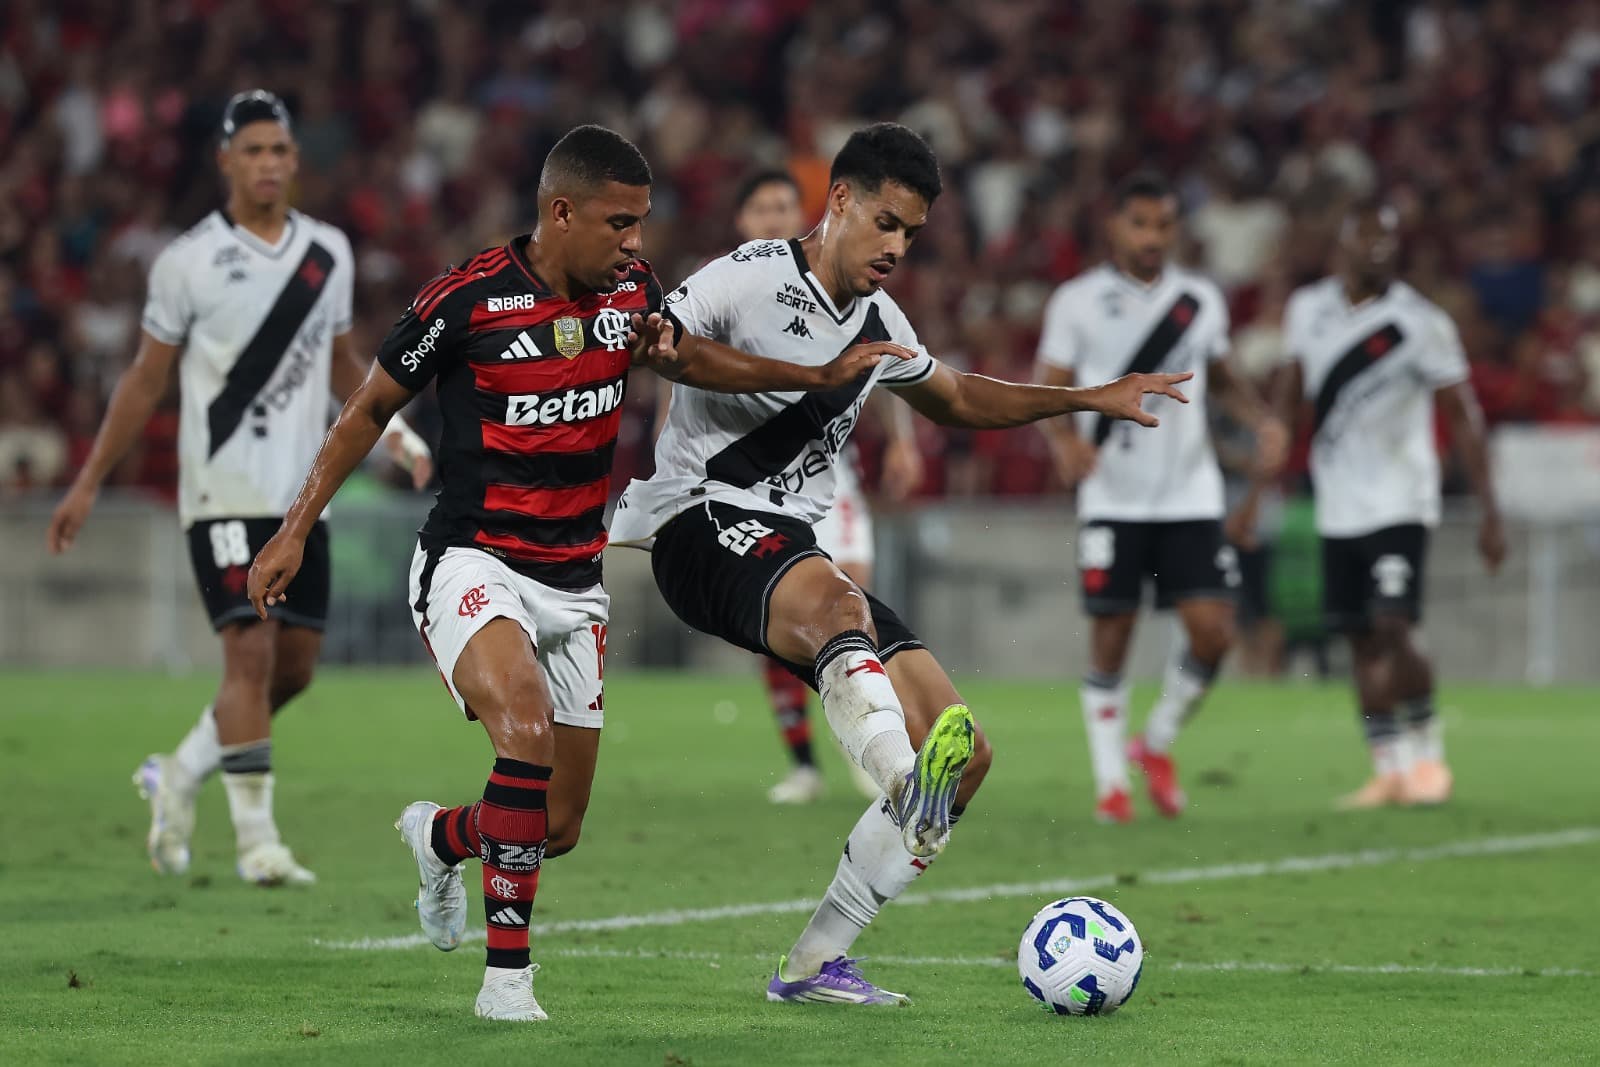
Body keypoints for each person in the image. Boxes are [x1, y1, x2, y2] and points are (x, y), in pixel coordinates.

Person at [244, 125, 910, 1022]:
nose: (636, 242)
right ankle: (506, 985)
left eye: (641, 222)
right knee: (523, 731)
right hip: (472, 558)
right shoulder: (466, 300)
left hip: (573, 580)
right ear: (561, 212)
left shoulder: (631, 293)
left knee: (552, 826)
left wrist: (812, 374)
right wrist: (293, 529)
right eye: (619, 223)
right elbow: (367, 408)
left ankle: (440, 837)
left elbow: (686, 358)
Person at [610, 124, 1191, 1005]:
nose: (896, 247)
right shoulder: (754, 272)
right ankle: (899, 780)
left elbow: (956, 397)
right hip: (698, 520)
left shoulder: (882, 322)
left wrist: (1082, 397)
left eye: (911, 234)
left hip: (787, 542)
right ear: (840, 199)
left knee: (968, 751)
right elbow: (666, 347)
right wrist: (816, 377)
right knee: (842, 614)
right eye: (885, 222)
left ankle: (813, 963)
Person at [45, 91, 433, 886]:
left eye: (279, 150)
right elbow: (146, 377)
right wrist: (88, 481)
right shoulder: (186, 261)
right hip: (222, 493)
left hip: (300, 500)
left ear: (295, 160)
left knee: (294, 670)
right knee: (249, 659)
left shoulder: (327, 252)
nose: (267, 164)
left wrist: (393, 430)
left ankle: (180, 771)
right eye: (252, 150)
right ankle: (258, 841)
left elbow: (339, 361)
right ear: (225, 159)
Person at [655, 168, 921, 804]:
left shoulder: (846, 290)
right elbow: (675, 362)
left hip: (823, 482)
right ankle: (808, 760)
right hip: (738, 487)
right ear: (742, 221)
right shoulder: (732, 283)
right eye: (762, 207)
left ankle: (869, 740)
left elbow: (885, 364)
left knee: (849, 603)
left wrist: (903, 440)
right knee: (789, 614)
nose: (774, 217)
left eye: (783, 205)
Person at [1034, 172, 1287, 824]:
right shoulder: (1077, 301)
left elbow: (1222, 378)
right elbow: (1049, 386)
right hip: (1112, 496)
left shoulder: (1199, 299)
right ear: (1114, 226)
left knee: (1214, 632)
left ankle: (1156, 741)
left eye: (1164, 224)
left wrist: (1260, 419)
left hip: (1189, 494)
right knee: (1112, 634)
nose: (1153, 236)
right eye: (1140, 223)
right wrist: (1063, 443)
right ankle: (1110, 784)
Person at [1275, 202, 1505, 808]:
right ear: (1344, 242)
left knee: (1394, 624)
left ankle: (1429, 758)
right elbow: (1289, 399)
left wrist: (1490, 511)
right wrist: (1259, 486)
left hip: (1402, 500)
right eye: (1368, 236)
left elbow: (1463, 417)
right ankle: (1389, 769)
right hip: (1338, 504)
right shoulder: (1307, 310)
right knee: (1357, 638)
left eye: (1389, 238)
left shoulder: (1421, 323)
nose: (1379, 247)